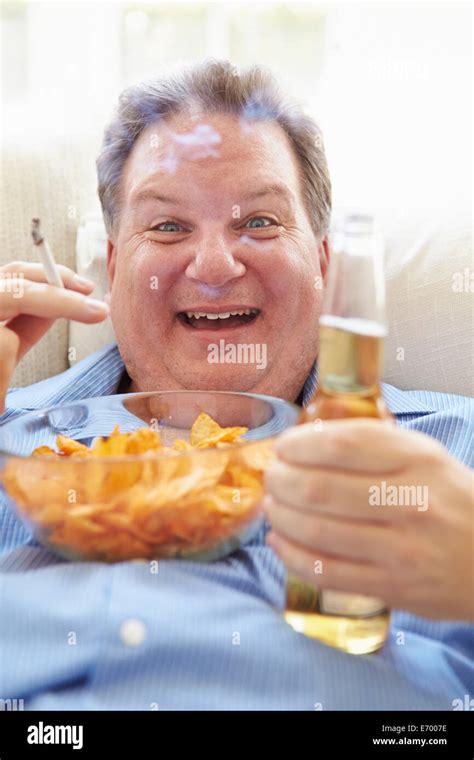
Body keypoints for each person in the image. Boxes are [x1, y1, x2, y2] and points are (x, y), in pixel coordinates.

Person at [0, 60, 472, 710]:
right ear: (113, 268)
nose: (216, 265)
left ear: (325, 266)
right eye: (167, 226)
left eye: (259, 222)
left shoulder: (457, 460)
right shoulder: (8, 434)